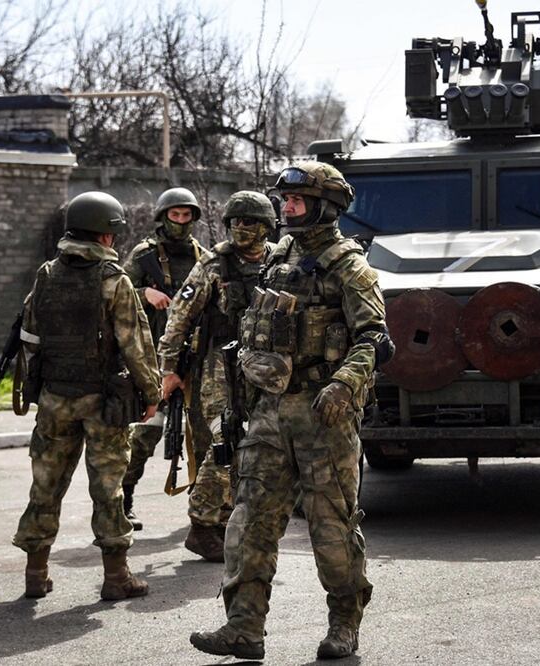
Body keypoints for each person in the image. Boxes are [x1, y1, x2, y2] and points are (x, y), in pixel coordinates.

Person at [190, 162, 394, 661]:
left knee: (331, 526)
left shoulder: (349, 266)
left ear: (326, 206)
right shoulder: (278, 258)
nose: (287, 208)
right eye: (285, 200)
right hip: (269, 412)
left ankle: (344, 623)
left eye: (297, 201)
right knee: (249, 519)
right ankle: (243, 628)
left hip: (324, 414)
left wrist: (346, 383)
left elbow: (374, 338)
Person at [12, 191, 161, 601]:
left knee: (46, 484)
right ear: (107, 236)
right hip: (103, 403)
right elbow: (135, 343)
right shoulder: (114, 281)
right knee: (108, 488)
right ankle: (116, 578)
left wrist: (32, 388)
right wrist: (151, 391)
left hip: (55, 397)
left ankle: (35, 573)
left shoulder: (46, 273)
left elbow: (30, 334)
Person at [158, 191, 278, 562]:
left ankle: (228, 518)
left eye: (249, 222)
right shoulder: (212, 265)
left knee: (257, 446)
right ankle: (201, 523)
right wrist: (169, 369)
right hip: (218, 368)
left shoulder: (279, 260)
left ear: (265, 227)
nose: (241, 229)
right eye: (235, 222)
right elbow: (179, 317)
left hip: (264, 367)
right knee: (225, 443)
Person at [121, 187, 209, 529]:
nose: (181, 222)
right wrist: (146, 293)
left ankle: (203, 507)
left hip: (194, 357)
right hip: (152, 360)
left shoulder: (203, 257)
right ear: (163, 216)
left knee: (201, 436)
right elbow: (117, 293)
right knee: (144, 435)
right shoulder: (144, 255)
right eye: (175, 215)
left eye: (187, 216)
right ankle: (123, 501)